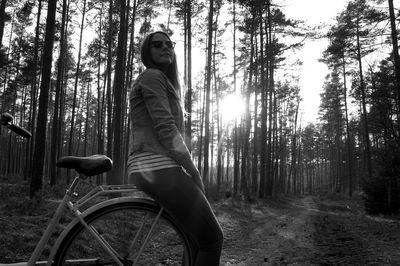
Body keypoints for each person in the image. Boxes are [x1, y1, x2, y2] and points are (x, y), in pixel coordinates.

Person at [128, 31, 224, 266]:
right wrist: (192, 169)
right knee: (212, 240)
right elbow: (166, 127)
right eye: (157, 44)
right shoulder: (152, 76)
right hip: (158, 167)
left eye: (169, 44)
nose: (165, 47)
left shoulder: (160, 80)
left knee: (193, 238)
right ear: (146, 52)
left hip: (153, 167)